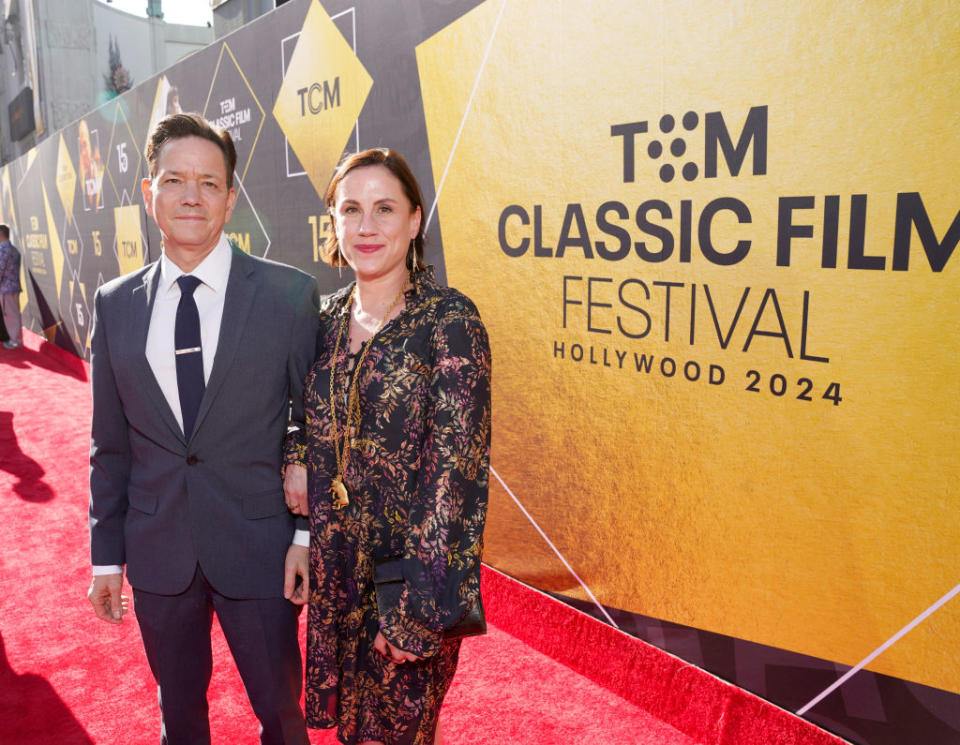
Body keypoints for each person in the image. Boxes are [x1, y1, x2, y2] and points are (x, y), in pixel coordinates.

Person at [87, 112, 318, 745]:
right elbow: (110, 445)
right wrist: (106, 556)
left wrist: (303, 533)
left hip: (261, 552)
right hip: (158, 551)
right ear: (148, 192)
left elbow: (313, 429)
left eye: (210, 183)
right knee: (179, 719)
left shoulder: (288, 296)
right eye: (175, 179)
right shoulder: (114, 303)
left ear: (231, 197)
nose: (192, 195)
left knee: (281, 715)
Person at [283, 148, 491, 745]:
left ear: (415, 220)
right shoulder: (321, 319)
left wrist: (416, 612)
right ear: (334, 224)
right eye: (351, 209)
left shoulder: (449, 321)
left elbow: (458, 475)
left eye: (384, 208)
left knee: (396, 734)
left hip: (407, 578)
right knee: (352, 733)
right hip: (336, 570)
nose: (366, 226)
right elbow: (297, 415)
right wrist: (296, 461)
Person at [0, 224, 22, 349]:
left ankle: (14, 341)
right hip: (14, 287)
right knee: (14, 314)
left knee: (10, 316)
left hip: (5, 289)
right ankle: (16, 339)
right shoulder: (14, 249)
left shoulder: (3, 250)